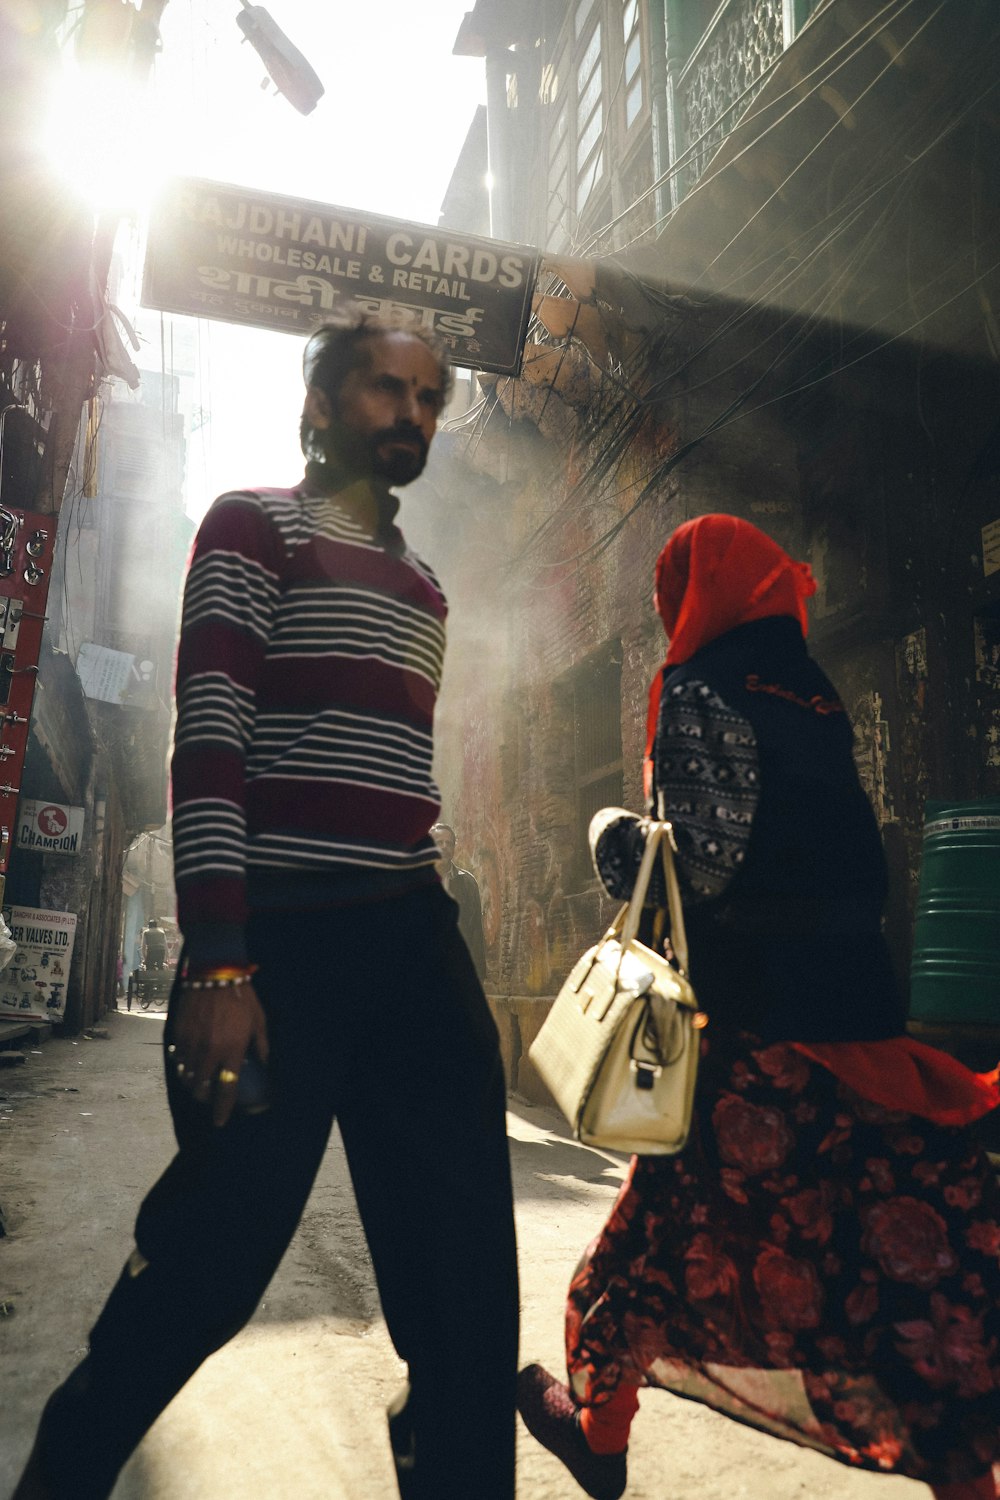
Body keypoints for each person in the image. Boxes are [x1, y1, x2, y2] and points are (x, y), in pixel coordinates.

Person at [14, 315, 519, 1500]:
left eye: (429, 398)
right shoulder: (251, 528)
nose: (411, 413)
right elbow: (215, 743)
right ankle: (62, 1475)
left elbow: (394, 774)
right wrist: (221, 959)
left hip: (411, 934)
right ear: (323, 405)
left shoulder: (423, 585)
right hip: (282, 948)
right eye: (385, 389)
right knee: (209, 1260)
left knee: (464, 1279)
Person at [517, 514, 1000, 1500]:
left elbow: (700, 862)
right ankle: (966, 1477)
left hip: (752, 1024)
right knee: (890, 1257)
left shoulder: (701, 688)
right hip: (857, 1011)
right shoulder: (816, 694)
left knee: (660, 1237)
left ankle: (600, 1434)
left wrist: (617, 837)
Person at [432, 822, 487, 981]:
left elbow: (475, 931)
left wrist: (478, 976)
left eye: (449, 843)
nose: (444, 846)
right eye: (439, 842)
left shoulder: (467, 883)